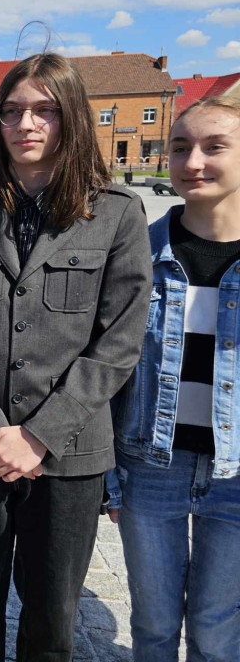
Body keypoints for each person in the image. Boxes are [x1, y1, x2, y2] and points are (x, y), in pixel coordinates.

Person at [0, 52, 152, 662]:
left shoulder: (116, 214)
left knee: (53, 613)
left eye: (45, 111)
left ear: (71, 119)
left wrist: (39, 436)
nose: (26, 124)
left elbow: (119, 343)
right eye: (12, 111)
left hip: (71, 452)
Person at [106, 96, 240, 662]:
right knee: (155, 627)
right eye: (180, 147)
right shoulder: (140, 249)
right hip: (150, 466)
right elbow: (110, 366)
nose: (193, 162)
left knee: (217, 633)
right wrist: (109, 472)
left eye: (215, 147)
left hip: (236, 474)